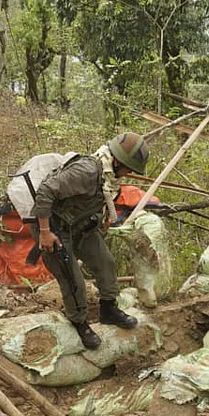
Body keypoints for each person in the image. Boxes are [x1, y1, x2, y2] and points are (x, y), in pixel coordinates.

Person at [31, 132, 148, 350]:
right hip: (52, 226)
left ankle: (108, 309)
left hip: (80, 225)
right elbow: (45, 192)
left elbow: (98, 199)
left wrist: (102, 219)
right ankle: (80, 322)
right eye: (128, 168)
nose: (129, 173)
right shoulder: (86, 171)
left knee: (106, 262)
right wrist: (45, 232)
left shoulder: (108, 179)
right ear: (117, 161)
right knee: (73, 279)